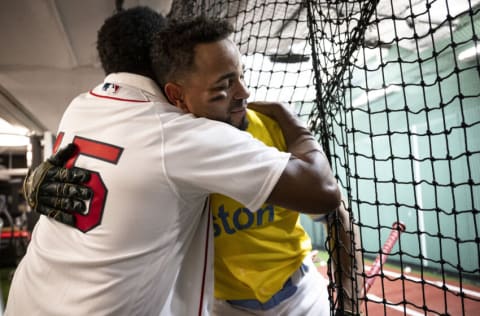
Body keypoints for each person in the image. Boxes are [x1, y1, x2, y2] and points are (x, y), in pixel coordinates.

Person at [6, 10, 341, 316]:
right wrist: (291, 119)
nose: (241, 91)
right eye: (221, 85)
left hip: (28, 295)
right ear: (168, 74)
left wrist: (31, 182)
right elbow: (323, 192)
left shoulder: (80, 107)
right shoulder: (183, 133)